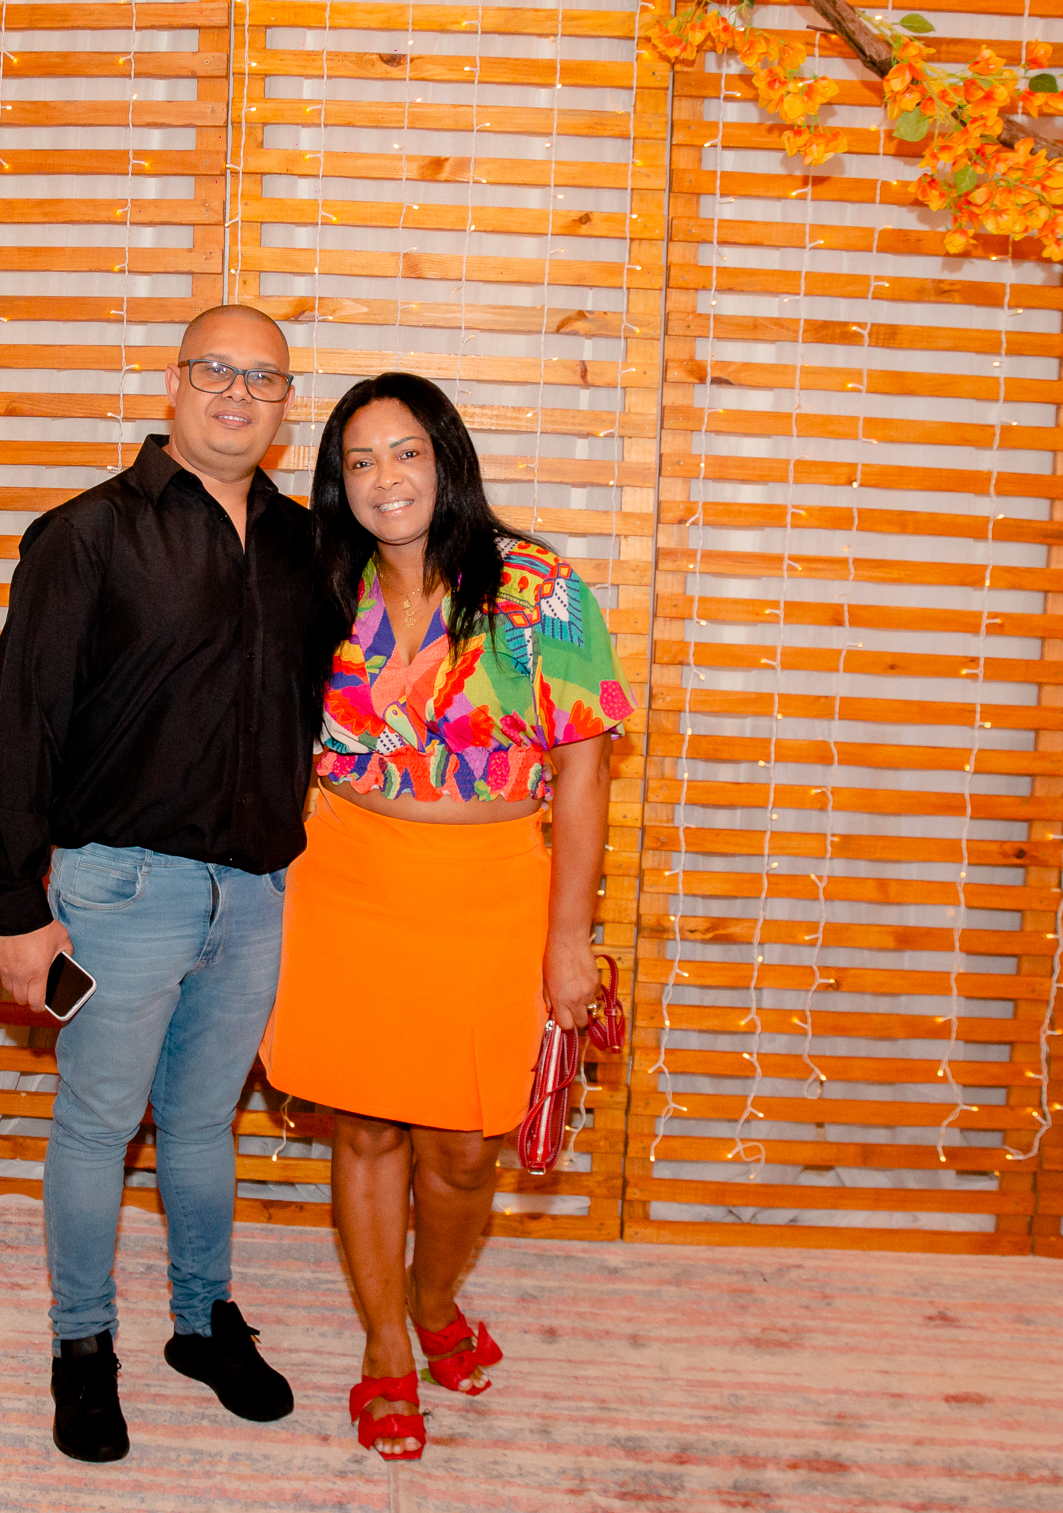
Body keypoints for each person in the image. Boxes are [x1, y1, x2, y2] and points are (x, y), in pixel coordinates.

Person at [258, 372, 634, 1461]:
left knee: (466, 1150)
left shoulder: (537, 588)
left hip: (490, 892)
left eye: (405, 451)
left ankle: (433, 1300)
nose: (385, 477)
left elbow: (584, 773)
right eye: (359, 460)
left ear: (446, 459)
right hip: (348, 883)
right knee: (368, 1128)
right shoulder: (320, 583)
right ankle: (387, 1342)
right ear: (338, 483)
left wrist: (568, 938)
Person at [0, 306, 324, 1465]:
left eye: (263, 378)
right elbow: (19, 729)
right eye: (215, 369)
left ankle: (201, 1321)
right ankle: (81, 1345)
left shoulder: (305, 548)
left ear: (286, 405)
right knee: (95, 1125)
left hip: (255, 895)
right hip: (118, 894)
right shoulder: (86, 534)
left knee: (203, 1123)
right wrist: (16, 909)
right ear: (173, 383)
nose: (237, 392)